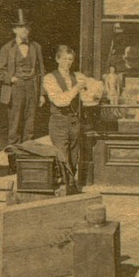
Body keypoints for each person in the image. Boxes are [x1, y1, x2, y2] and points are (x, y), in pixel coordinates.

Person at [0, 11, 45, 149]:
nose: (25, 31)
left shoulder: (36, 47)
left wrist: (42, 94)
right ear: (15, 30)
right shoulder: (7, 48)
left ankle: (28, 157)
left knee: (30, 124)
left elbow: (41, 72)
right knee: (14, 125)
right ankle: (14, 163)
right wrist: (11, 78)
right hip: (15, 89)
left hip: (32, 89)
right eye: (21, 27)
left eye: (27, 28)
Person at [42, 45, 86, 185]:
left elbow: (92, 91)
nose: (68, 62)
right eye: (65, 59)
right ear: (57, 59)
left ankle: (70, 184)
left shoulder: (77, 76)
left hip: (74, 120)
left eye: (70, 59)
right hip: (59, 120)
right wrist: (77, 88)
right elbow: (61, 101)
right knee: (62, 154)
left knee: (74, 155)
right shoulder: (49, 78)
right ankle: (65, 185)